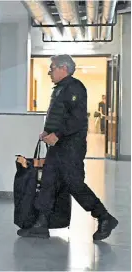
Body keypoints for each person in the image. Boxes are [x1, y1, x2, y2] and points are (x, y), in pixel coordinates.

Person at [19, 55, 118, 240]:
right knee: (48, 182)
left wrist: (57, 135)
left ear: (63, 68)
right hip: (58, 146)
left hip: (71, 147)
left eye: (52, 68)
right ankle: (41, 223)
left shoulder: (74, 87)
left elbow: (77, 119)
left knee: (75, 184)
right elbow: (59, 115)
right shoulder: (60, 89)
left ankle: (104, 217)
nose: (49, 72)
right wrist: (48, 132)